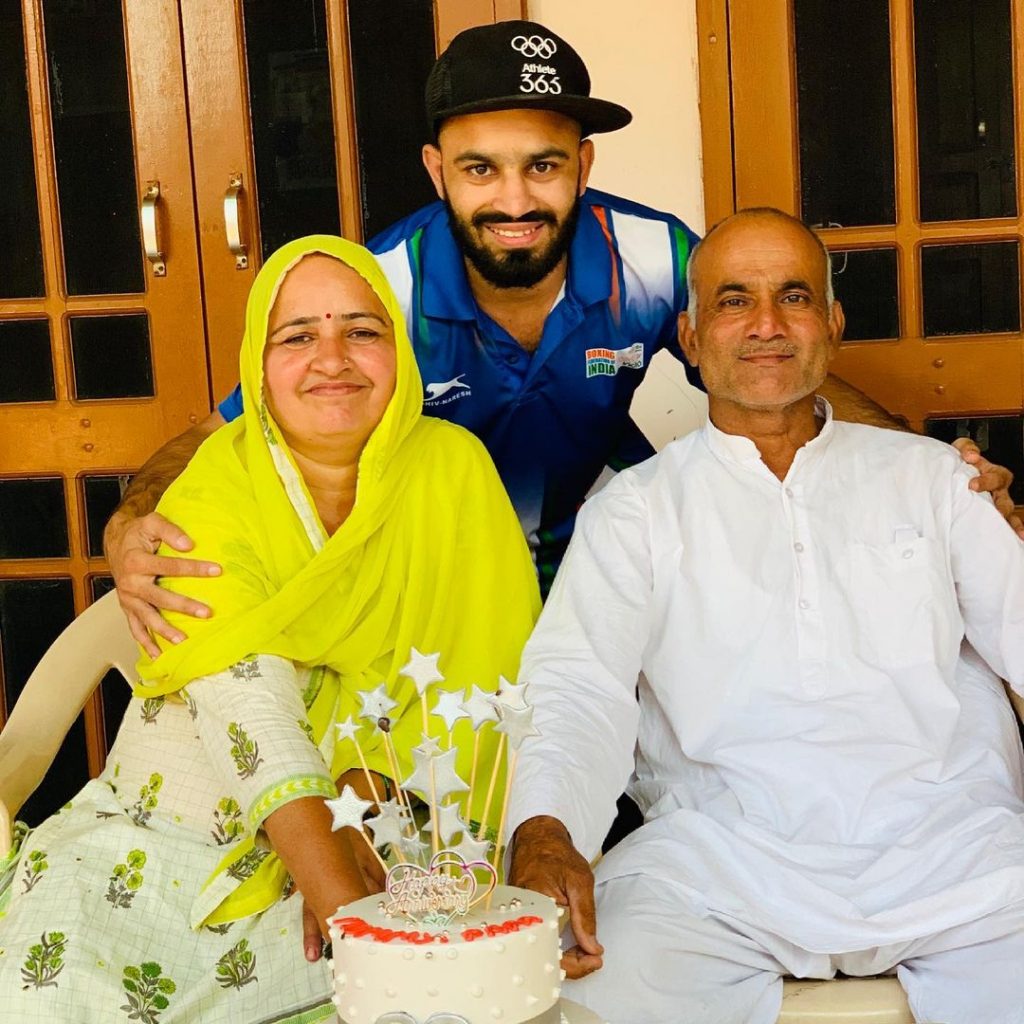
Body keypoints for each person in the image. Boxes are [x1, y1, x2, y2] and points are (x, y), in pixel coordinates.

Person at [102, 20, 1020, 655]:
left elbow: (780, 362)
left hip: (594, 557)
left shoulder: (655, 253)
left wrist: (943, 477)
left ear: (582, 164)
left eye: (543, 165)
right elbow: (231, 431)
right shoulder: (381, 286)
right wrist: (131, 520)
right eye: (478, 169)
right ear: (435, 171)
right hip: (429, 574)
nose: (513, 200)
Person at [0, 236, 539, 1023]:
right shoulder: (217, 483)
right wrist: (354, 919)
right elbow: (246, 706)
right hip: (169, 835)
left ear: (401, 348)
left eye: (362, 329)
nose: (332, 358)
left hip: (386, 824)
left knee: (440, 978)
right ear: (258, 364)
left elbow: (483, 673)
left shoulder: (452, 470)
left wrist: (368, 800)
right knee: (71, 978)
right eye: (298, 336)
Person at [506, 209, 1024, 1024]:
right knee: (583, 983)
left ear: (833, 322)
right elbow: (579, 689)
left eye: (794, 296)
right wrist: (543, 829)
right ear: (691, 333)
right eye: (733, 300)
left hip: (957, 852)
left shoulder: (935, 481)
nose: (767, 326)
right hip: (721, 864)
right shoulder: (636, 512)